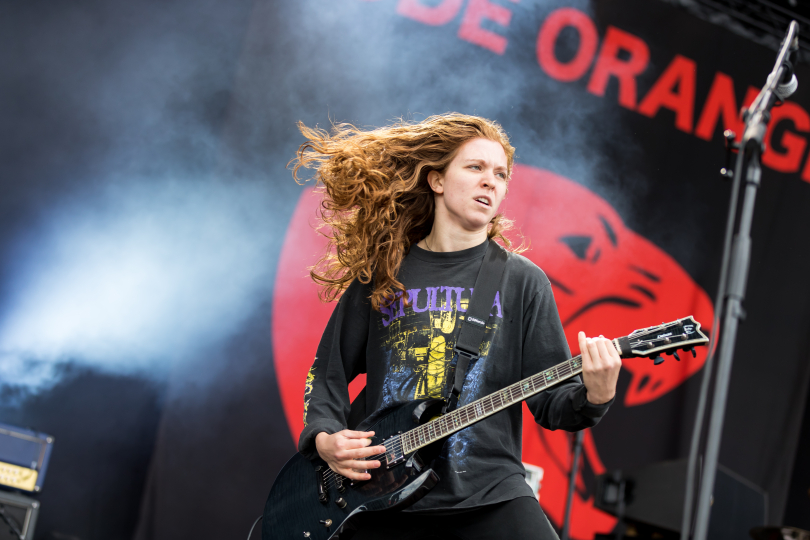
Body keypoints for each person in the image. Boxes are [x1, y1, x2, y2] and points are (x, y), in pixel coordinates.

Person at [293, 113, 622, 539]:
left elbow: (554, 404)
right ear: (436, 181)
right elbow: (327, 374)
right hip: (380, 496)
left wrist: (598, 392)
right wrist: (324, 438)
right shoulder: (384, 273)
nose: (491, 181)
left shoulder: (522, 280)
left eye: (501, 174)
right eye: (476, 168)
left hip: (490, 494)